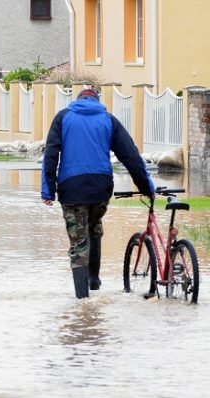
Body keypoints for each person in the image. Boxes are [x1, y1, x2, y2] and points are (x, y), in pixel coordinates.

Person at [41, 88, 155, 299]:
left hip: (72, 188)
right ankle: (94, 282)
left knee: (79, 242)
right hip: (100, 188)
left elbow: (51, 155)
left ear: (78, 100)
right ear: (97, 101)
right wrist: (146, 188)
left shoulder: (63, 118)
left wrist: (48, 190)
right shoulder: (108, 120)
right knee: (94, 229)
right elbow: (130, 156)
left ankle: (83, 302)